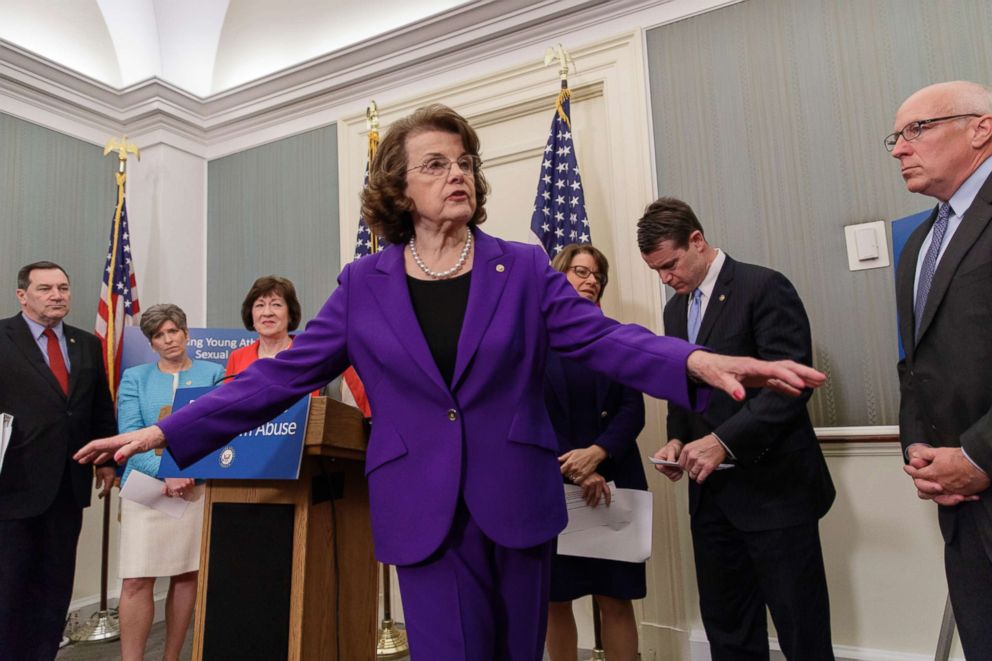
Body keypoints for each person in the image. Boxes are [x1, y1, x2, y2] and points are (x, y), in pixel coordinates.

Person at [76, 105, 825, 661]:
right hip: (419, 507)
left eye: (463, 160)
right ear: (398, 187)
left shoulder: (524, 266)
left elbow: (603, 339)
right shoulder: (363, 284)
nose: (457, 172)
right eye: (435, 163)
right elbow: (284, 375)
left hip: (517, 498)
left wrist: (693, 361)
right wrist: (165, 431)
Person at [644, 198, 835, 661]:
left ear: (697, 241)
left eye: (670, 265)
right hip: (710, 500)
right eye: (656, 271)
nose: (666, 279)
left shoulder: (763, 286)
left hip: (775, 494)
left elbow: (789, 387)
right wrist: (676, 437)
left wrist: (723, 442)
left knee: (800, 629)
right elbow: (682, 388)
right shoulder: (674, 311)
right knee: (728, 629)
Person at [889, 81, 992, 657]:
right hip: (957, 506)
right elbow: (916, 362)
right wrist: (920, 451)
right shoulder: (919, 242)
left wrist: (978, 454)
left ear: (981, 128)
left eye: (917, 130)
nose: (901, 148)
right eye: (896, 138)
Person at [0, 261, 118, 661]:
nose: (57, 295)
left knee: (55, 585)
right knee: (11, 584)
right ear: (23, 295)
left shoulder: (85, 343)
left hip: (68, 485)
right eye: (46, 288)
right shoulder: (2, 337)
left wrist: (106, 461)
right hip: (12, 488)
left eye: (63, 288)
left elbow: (98, 406)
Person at [545, 244, 646, 661]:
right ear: (558, 276)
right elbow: (528, 413)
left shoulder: (615, 336)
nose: (591, 281)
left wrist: (598, 453)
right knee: (555, 599)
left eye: (597, 276)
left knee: (616, 598)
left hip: (615, 479)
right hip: (552, 484)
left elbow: (632, 409)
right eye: (581, 272)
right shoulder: (533, 342)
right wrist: (576, 467)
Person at [115, 304, 224, 661]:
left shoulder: (214, 374)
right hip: (145, 491)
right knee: (135, 579)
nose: (168, 339)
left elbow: (220, 431)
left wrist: (188, 473)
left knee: (186, 575)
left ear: (186, 333)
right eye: (159, 335)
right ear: (151, 343)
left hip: (195, 488)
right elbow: (130, 437)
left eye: (173, 331)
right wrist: (168, 472)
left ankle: (172, 656)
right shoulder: (135, 378)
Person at [225, 275, 303, 377]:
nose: (267, 313)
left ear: (290, 314)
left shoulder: (304, 353)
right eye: (260, 305)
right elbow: (229, 393)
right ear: (251, 314)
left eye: (276, 305)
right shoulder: (237, 357)